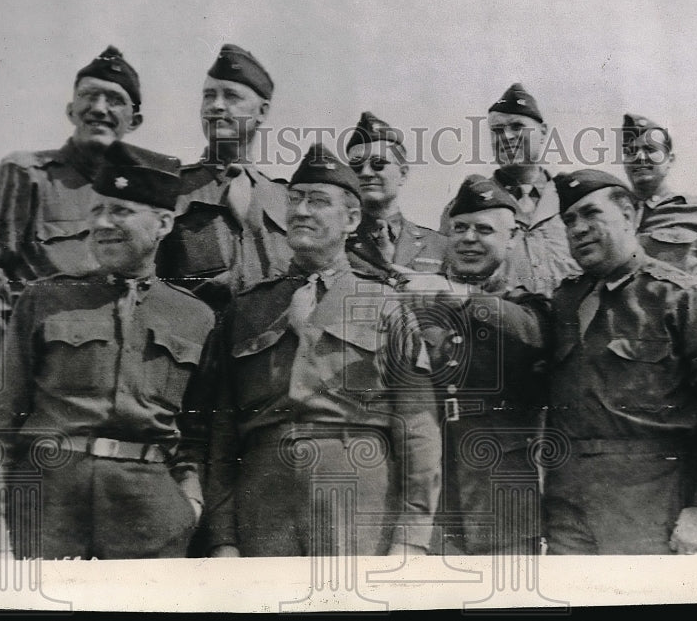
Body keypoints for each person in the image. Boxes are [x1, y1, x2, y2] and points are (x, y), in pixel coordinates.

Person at [0, 142, 214, 560]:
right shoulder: (44, 299)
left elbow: (199, 436)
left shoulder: (196, 317)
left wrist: (188, 505)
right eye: (97, 210)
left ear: (163, 223)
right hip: (48, 503)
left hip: (149, 514)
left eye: (120, 211)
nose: (102, 223)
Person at [205, 144, 441, 557]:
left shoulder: (386, 306)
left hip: (358, 496)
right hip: (264, 501)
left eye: (317, 201)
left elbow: (418, 429)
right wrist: (223, 536)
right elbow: (222, 434)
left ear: (352, 219)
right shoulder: (247, 309)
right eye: (294, 200)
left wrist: (411, 536)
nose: (300, 212)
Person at [543, 168, 697, 555]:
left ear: (628, 214)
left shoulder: (679, 296)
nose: (578, 228)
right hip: (567, 503)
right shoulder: (564, 301)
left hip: (650, 498)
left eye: (591, 214)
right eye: (570, 220)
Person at [0, 46, 174, 405]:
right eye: (88, 96)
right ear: (71, 109)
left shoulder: (145, 202)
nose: (99, 109)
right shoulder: (27, 175)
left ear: (134, 120)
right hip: (39, 381)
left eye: (114, 100)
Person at [404, 175, 550, 555]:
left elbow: (530, 335)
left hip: (506, 500)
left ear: (513, 238)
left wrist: (461, 300)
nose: (469, 239)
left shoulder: (529, 306)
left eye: (484, 230)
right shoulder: (421, 308)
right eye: (459, 229)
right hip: (435, 498)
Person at [156, 44, 291, 310]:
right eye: (208, 96)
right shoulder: (169, 189)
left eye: (231, 96)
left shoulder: (286, 199)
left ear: (262, 111)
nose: (216, 106)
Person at [439, 83, 580, 297]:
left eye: (517, 127)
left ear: (543, 133)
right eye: (497, 131)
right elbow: (450, 281)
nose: (506, 137)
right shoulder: (465, 207)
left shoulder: (573, 198)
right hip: (501, 323)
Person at [345, 111, 447, 276]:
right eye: (356, 166)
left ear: (403, 174)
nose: (366, 173)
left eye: (378, 164)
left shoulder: (439, 245)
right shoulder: (334, 242)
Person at [620, 113, 697, 274]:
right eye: (631, 151)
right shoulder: (612, 213)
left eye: (650, 149)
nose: (640, 157)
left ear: (670, 159)